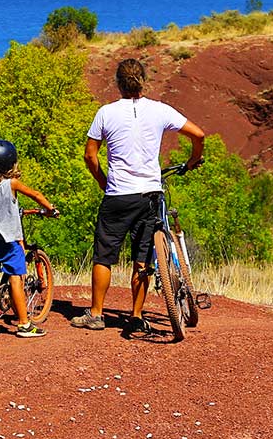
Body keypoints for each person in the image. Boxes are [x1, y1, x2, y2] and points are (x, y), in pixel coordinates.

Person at [73, 57, 206, 335]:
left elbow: (90, 155)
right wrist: (194, 160)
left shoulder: (106, 113)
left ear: (117, 83)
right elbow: (199, 134)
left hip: (118, 195)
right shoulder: (159, 111)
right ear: (143, 81)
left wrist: (103, 181)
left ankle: (97, 314)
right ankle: (135, 315)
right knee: (143, 256)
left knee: (104, 255)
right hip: (150, 194)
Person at [0, 138, 57, 338]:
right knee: (16, 279)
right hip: (9, 239)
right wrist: (50, 209)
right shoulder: (11, 183)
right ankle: (24, 324)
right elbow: (36, 194)